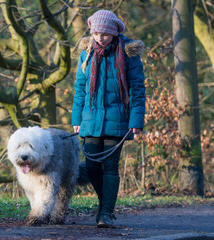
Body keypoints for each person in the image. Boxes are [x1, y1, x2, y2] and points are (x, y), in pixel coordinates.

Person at [72, 10, 145, 228]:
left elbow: (138, 90)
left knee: (111, 166)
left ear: (113, 32)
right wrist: (77, 118)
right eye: (96, 33)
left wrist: (136, 121)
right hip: (91, 119)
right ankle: (105, 203)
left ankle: (105, 212)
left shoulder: (129, 54)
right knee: (92, 166)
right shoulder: (86, 54)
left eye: (104, 33)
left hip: (118, 118)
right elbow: (80, 89)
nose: (100, 37)